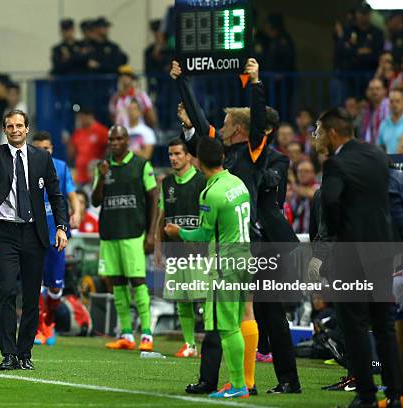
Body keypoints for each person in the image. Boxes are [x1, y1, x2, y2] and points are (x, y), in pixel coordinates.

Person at [172, 58, 300, 395]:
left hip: (254, 243)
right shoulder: (225, 156)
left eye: (227, 122)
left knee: (263, 313)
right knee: (227, 315)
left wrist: (255, 82)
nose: (222, 125)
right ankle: (221, 380)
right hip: (235, 244)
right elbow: (200, 124)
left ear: (240, 129)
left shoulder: (253, 153)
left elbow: (257, 122)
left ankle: (279, 380)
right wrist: (181, 80)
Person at [0, 109, 68, 371]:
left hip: (34, 233)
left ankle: (25, 353)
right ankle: (8, 354)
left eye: (19, 126)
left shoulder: (42, 158)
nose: (15, 130)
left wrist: (61, 227)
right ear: (5, 130)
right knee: (8, 291)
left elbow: (56, 195)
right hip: (6, 233)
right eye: (10, 126)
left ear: (27, 128)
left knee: (32, 297)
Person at [313, 107, 401, 407]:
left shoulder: (336, 164)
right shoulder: (377, 154)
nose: (319, 137)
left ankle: (365, 396)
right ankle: (394, 394)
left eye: (321, 131)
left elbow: (330, 203)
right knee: (385, 325)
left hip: (351, 255)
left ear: (333, 133)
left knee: (355, 327)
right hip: (381, 251)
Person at [165, 136, 251, 399]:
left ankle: (238, 385)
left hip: (225, 263)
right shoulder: (238, 183)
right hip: (246, 257)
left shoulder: (210, 193)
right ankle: (241, 381)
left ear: (198, 161)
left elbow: (202, 234)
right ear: (223, 157)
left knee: (227, 327)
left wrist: (178, 232)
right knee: (236, 322)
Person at [91, 125, 158, 352]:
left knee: (137, 282)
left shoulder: (141, 165)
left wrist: (151, 233)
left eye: (120, 138)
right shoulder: (103, 166)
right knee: (117, 285)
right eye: (112, 139)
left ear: (127, 140)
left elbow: (154, 199)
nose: (115, 142)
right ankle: (127, 334)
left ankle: (147, 334)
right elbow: (95, 201)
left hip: (133, 233)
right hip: (109, 234)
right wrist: (101, 176)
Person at [154, 138, 205, 357]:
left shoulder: (202, 181)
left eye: (178, 154)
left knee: (205, 299)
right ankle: (190, 344)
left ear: (189, 156)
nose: (173, 158)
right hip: (175, 251)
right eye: (171, 155)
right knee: (182, 299)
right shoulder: (167, 184)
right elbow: (161, 217)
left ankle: (214, 343)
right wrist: (158, 248)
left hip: (199, 251)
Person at [31, 131, 82, 345]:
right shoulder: (25, 167)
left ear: (52, 149)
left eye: (47, 148)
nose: (43, 152)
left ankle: (49, 322)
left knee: (55, 287)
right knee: (33, 284)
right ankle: (37, 327)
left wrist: (77, 211)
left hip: (56, 235)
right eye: (38, 148)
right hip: (32, 235)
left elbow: (71, 194)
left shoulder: (61, 167)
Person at [68, 107, 108, 185]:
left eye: (81, 117)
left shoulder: (101, 131)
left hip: (95, 176)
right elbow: (71, 154)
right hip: (80, 177)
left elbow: (109, 149)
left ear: (89, 116)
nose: (80, 120)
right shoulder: (78, 133)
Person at [379, 88, 403, 154]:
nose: (394, 104)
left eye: (397, 101)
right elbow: (379, 147)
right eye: (391, 101)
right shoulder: (383, 124)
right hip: (387, 163)